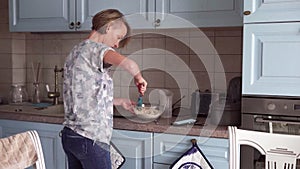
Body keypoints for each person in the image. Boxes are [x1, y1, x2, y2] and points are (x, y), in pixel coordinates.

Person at [61, 9, 147, 169]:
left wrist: (119, 101)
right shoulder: (98, 49)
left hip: (70, 136)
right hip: (90, 138)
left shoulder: (75, 51)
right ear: (108, 28)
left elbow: (84, 95)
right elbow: (130, 65)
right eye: (118, 37)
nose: (117, 44)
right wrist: (139, 77)